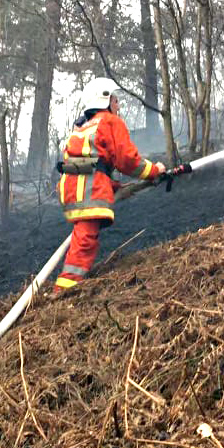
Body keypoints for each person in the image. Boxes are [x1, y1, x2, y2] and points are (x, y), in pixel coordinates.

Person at [54, 77, 165, 292]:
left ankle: (67, 284)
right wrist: (154, 171)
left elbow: (91, 160)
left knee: (83, 236)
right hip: (87, 187)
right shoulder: (110, 121)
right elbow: (127, 160)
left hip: (72, 185)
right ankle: (65, 289)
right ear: (104, 99)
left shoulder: (83, 125)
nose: (118, 104)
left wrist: (110, 185)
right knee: (85, 239)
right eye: (115, 100)